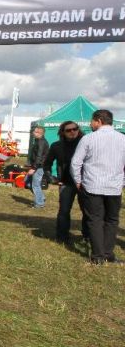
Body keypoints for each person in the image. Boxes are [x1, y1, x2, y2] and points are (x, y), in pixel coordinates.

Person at [70, 109, 125, 265]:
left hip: (92, 185)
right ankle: (108, 253)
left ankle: (98, 256)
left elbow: (76, 162)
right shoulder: (123, 139)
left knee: (95, 220)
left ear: (99, 121)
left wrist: (78, 180)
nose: (90, 124)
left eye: (92, 121)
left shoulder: (88, 138)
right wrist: (122, 181)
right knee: (112, 220)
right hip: (114, 186)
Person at [43, 120, 89, 245]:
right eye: (68, 130)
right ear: (62, 132)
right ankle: (62, 237)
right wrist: (52, 178)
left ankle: (87, 236)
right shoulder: (56, 146)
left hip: (84, 183)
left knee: (87, 211)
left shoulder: (86, 143)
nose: (72, 132)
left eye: (75, 129)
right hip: (66, 183)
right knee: (64, 210)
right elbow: (46, 164)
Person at [27, 126, 49, 208]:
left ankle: (39, 204)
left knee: (35, 185)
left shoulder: (41, 142)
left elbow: (39, 157)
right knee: (28, 183)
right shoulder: (38, 141)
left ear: (40, 133)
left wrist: (33, 168)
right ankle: (41, 198)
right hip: (36, 166)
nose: (33, 133)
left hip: (39, 167)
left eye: (35, 132)